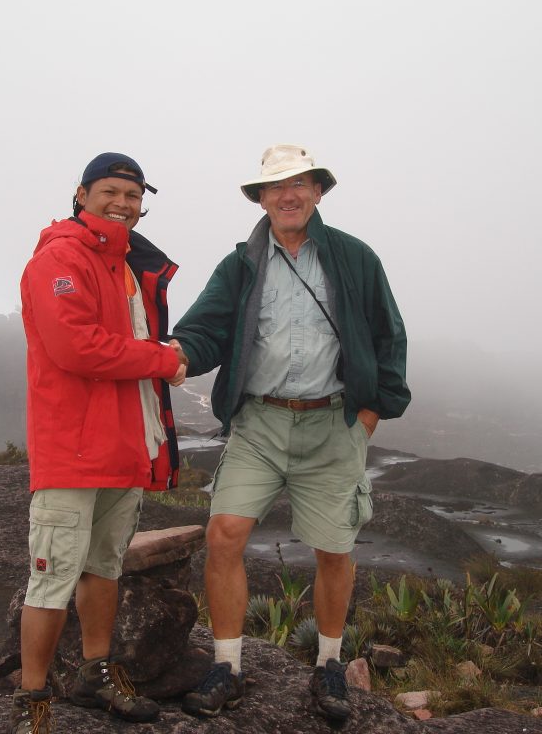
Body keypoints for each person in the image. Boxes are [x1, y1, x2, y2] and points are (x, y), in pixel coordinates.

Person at [170, 144, 410, 722]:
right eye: (275, 186)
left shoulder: (354, 258)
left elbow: (388, 333)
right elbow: (205, 329)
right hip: (260, 421)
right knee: (224, 534)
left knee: (334, 548)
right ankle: (227, 666)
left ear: (318, 191)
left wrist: (374, 412)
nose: (288, 194)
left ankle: (330, 664)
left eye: (298, 183)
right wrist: (176, 354)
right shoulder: (241, 265)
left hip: (333, 422)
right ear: (260, 198)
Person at [11, 152, 187, 734]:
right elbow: (75, 348)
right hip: (72, 450)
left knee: (103, 568)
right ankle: (33, 701)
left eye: (133, 196)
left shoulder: (123, 266)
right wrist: (164, 360)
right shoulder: (59, 258)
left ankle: (94, 672)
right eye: (111, 191)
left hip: (120, 444)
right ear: (81, 194)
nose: (123, 203)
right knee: (51, 576)